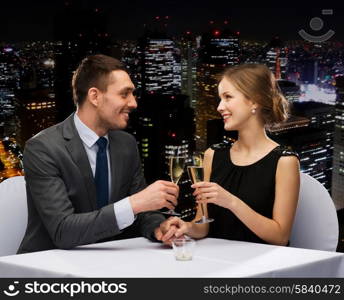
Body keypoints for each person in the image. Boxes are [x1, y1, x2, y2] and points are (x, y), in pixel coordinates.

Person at [18, 54, 179, 254]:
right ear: (94, 96)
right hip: (45, 267)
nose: (134, 103)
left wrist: (159, 227)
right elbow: (63, 231)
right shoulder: (43, 148)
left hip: (108, 262)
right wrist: (133, 204)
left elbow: (143, 213)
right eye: (124, 94)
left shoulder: (126, 144)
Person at [158, 64, 300, 246]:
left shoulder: (284, 161)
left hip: (261, 265)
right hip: (217, 260)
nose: (219, 107)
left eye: (228, 97)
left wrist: (231, 201)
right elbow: (203, 225)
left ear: (254, 101)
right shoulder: (213, 154)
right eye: (220, 98)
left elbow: (279, 237)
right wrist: (185, 227)